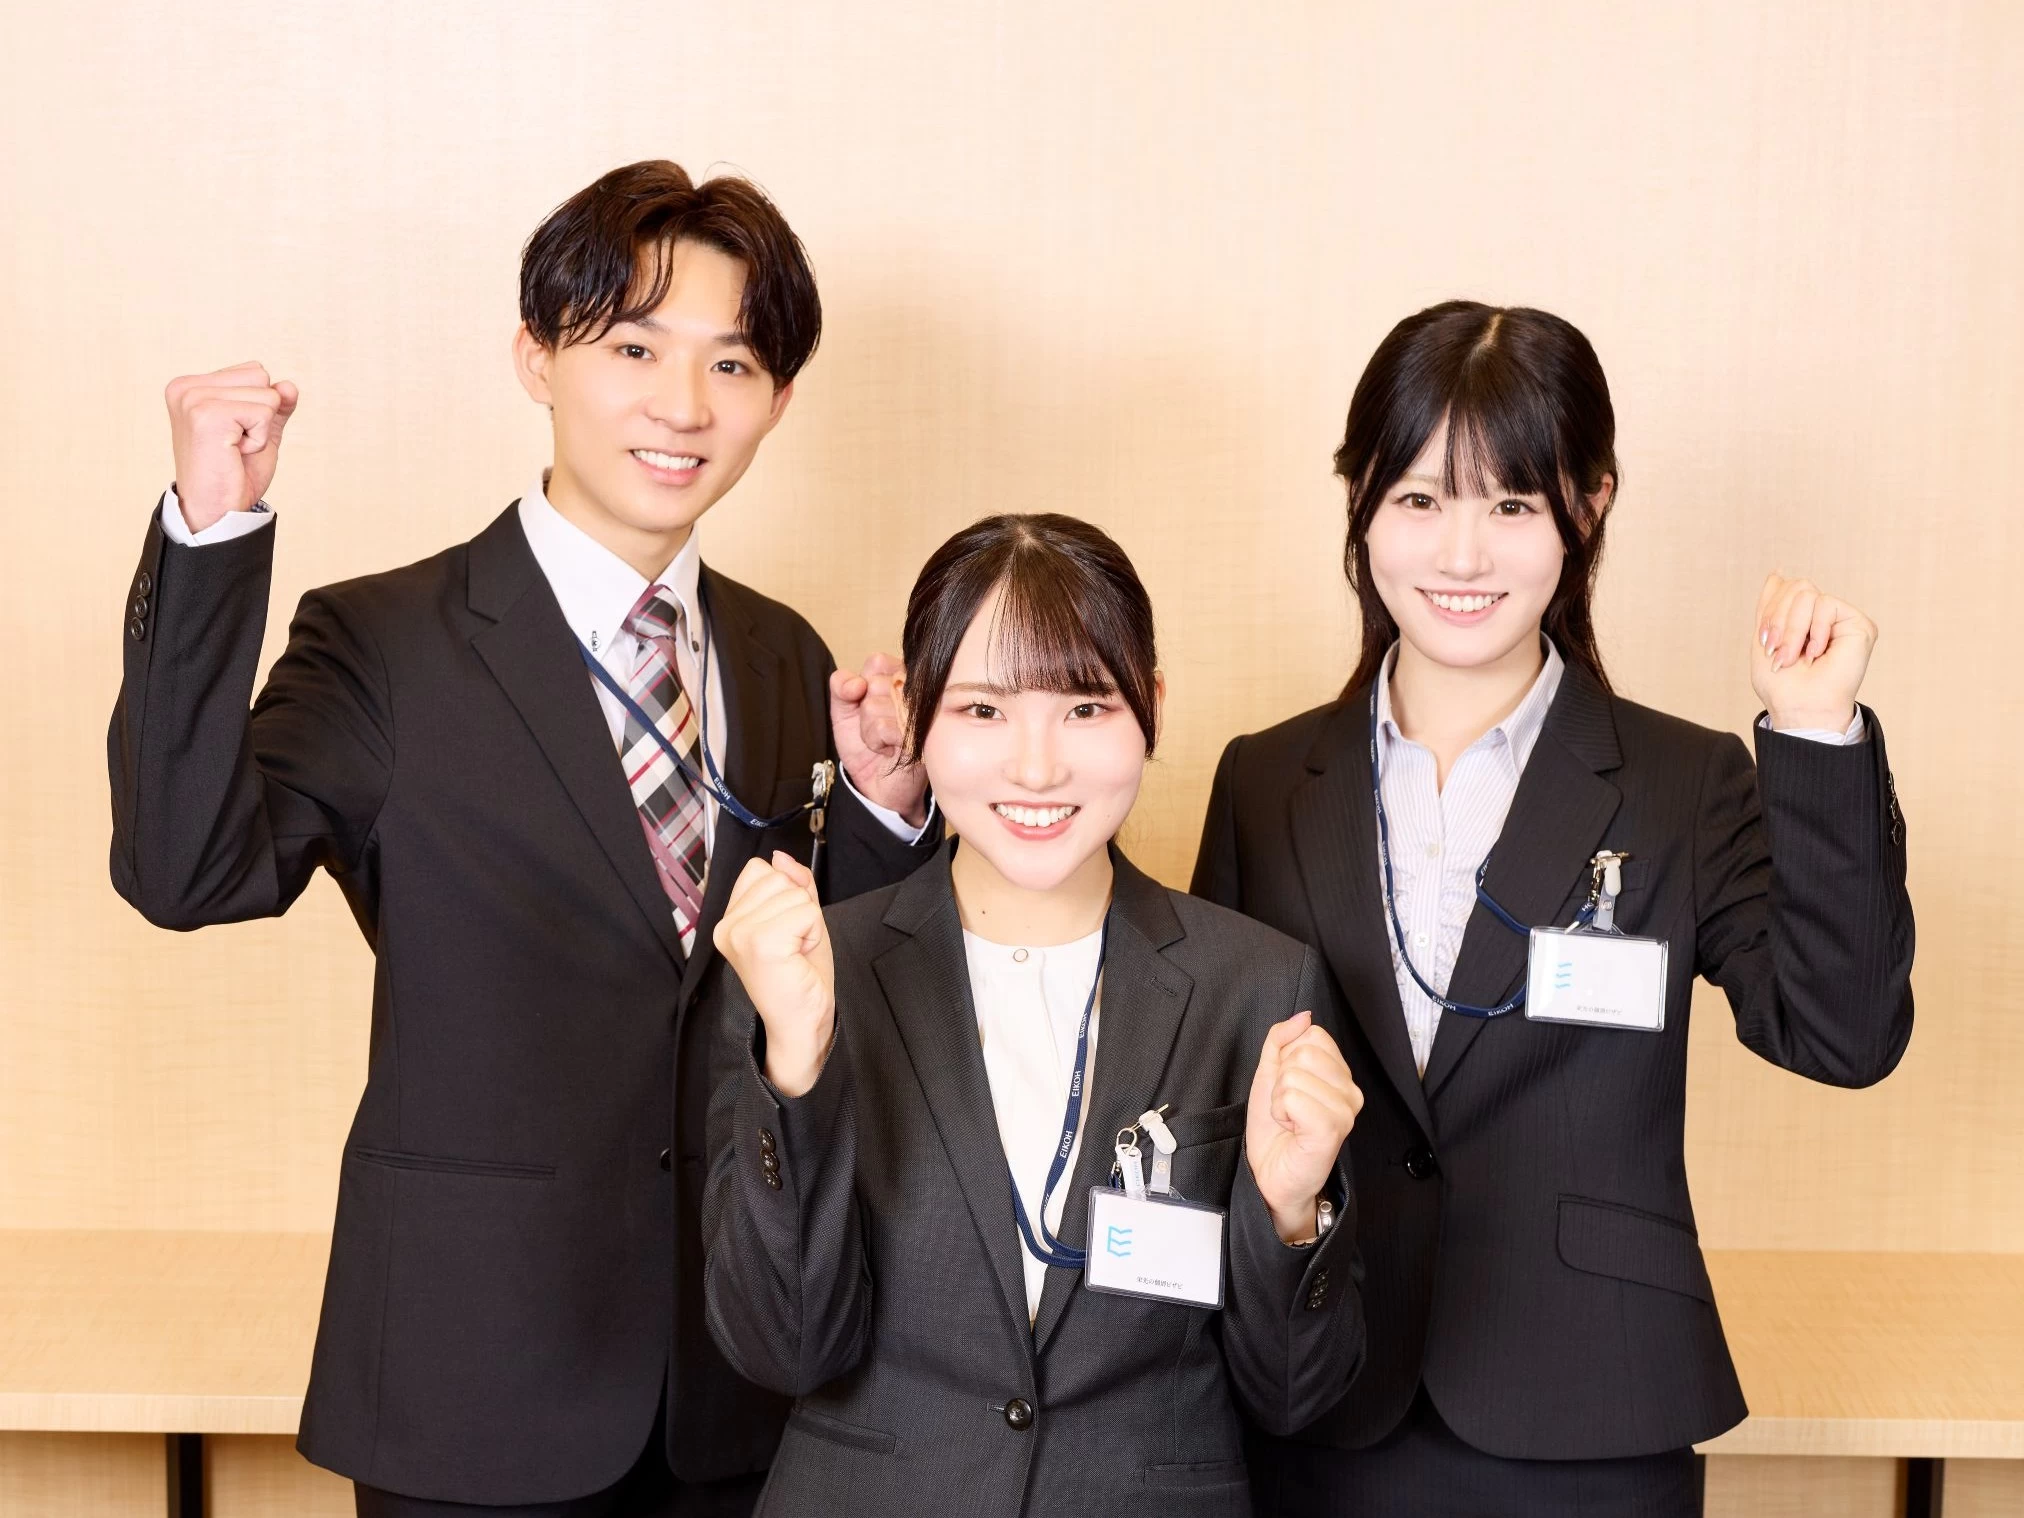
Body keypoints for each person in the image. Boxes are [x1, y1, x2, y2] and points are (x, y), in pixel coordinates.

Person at [107, 160, 941, 1517]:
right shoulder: (385, 641)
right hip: (474, 1380)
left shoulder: (782, 652)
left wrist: (889, 810)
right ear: (536, 358)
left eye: (732, 363)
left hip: (735, 1379)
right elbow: (186, 870)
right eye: (634, 348)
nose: (684, 404)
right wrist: (212, 533)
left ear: (778, 401)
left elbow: (832, 978)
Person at [1192, 300, 1915, 1517]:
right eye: (1417, 499)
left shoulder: (1682, 782)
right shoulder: (1261, 781)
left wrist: (1811, 734)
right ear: (1358, 504)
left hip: (1593, 1411)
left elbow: (1842, 1035)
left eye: (1511, 506)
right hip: (1320, 1396)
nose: (1459, 555)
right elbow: (1212, 1097)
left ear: (1588, 505)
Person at [702, 514, 1367, 1516]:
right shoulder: (807, 970)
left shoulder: (1259, 984)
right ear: (917, 718)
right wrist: (795, 1067)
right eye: (982, 710)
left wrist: (1289, 1213)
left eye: (1085, 707)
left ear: (1151, 707)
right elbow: (783, 1348)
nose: (1037, 768)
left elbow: (1290, 1397)